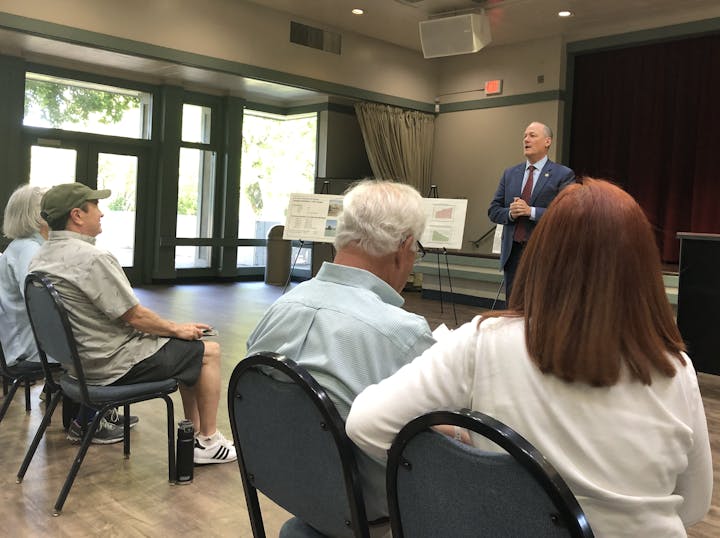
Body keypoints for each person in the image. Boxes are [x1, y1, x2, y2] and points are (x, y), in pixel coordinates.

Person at [347, 178, 712, 537]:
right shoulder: (677, 371)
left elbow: (367, 424)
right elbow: (694, 505)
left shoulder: (483, 341)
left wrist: (458, 441)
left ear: (542, 256)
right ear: (644, 269)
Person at [247, 179, 436, 527]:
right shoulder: (404, 335)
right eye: (416, 250)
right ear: (404, 245)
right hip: (377, 514)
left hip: (290, 492)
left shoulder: (278, 310)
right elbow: (438, 445)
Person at [29, 182, 236, 464]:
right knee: (206, 352)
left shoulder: (39, 257)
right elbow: (135, 316)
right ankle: (207, 440)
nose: (102, 214)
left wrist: (176, 332)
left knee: (186, 348)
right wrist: (177, 328)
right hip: (110, 365)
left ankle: (196, 438)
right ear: (77, 215)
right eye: (96, 207)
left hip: (76, 366)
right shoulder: (93, 258)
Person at [487, 121, 574, 301]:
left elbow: (568, 214)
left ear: (547, 142)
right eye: (525, 136)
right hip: (513, 255)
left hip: (543, 254)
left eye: (532, 135)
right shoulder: (510, 174)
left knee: (539, 307)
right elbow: (493, 210)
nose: (526, 139)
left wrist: (531, 211)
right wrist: (511, 213)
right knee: (513, 310)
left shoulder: (563, 175)